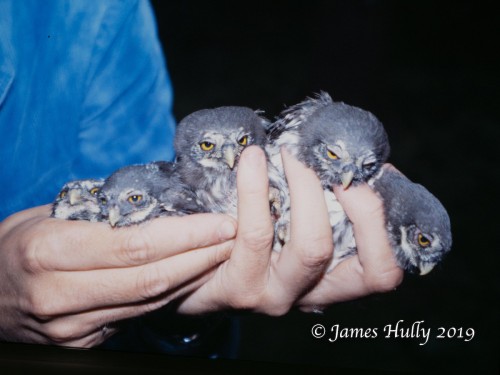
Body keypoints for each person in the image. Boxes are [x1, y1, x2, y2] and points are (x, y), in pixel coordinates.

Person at [0, 0, 402, 353]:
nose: (229, 157)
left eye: (240, 144)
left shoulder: (96, 10)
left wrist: (173, 308)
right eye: (211, 148)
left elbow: (136, 230)